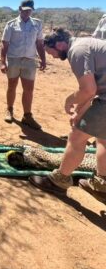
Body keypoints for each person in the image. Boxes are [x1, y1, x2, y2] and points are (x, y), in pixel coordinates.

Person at [29, 28, 106, 202]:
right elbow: (93, 90)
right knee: (103, 138)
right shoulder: (86, 45)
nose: (53, 56)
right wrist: (79, 112)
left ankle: (58, 181)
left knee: (76, 138)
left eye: (51, 52)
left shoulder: (77, 51)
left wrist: (69, 100)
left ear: (60, 44)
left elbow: (88, 89)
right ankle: (102, 186)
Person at [0, 0, 46, 129]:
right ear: (20, 9)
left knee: (29, 90)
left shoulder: (37, 24)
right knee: (12, 86)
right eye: (25, 10)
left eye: (30, 10)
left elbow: (39, 43)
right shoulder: (11, 24)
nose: (27, 13)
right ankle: (9, 110)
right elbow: (5, 44)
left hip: (30, 61)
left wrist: (43, 59)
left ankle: (27, 116)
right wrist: (3, 62)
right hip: (14, 60)